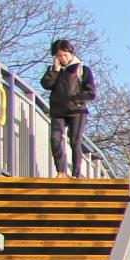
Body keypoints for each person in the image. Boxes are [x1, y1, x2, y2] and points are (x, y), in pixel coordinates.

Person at [40, 39, 97, 178]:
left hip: (77, 110)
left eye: (65, 55)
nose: (63, 58)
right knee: (55, 139)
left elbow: (91, 92)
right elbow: (46, 85)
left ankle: (76, 174)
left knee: (75, 141)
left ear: (71, 53)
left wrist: (76, 99)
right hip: (58, 110)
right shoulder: (54, 70)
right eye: (59, 56)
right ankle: (60, 171)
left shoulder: (82, 69)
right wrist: (55, 71)